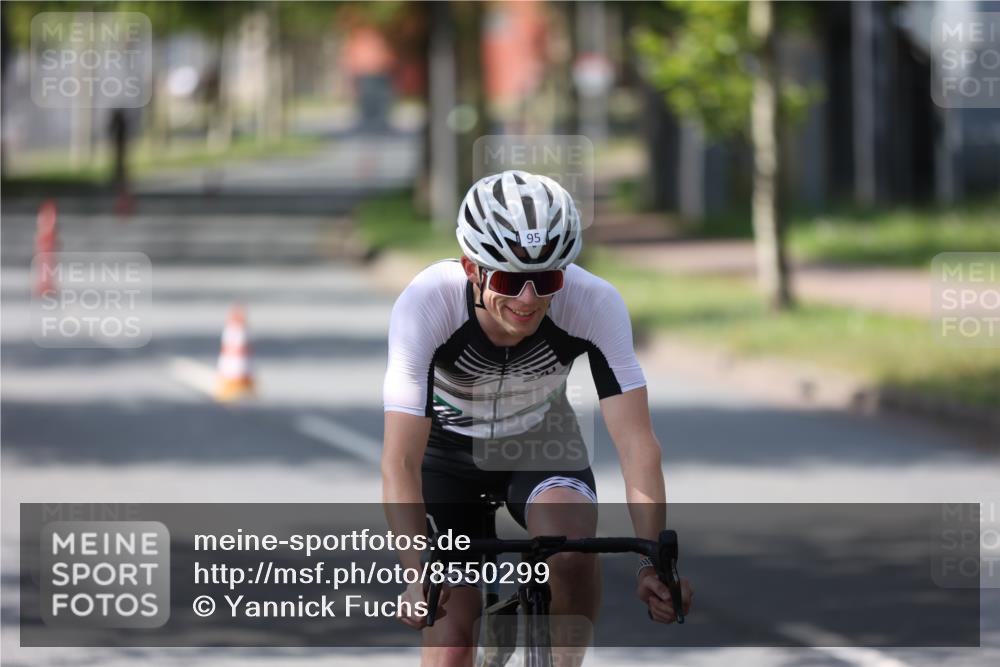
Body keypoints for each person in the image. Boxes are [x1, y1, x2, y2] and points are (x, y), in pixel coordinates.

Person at [382, 170, 693, 666]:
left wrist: (651, 562)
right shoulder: (428, 303)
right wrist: (415, 570)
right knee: (452, 644)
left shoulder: (593, 302)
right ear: (472, 269)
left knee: (572, 555)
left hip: (541, 442)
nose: (528, 300)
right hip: (446, 455)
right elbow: (399, 461)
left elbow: (638, 445)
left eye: (547, 279)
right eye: (509, 280)